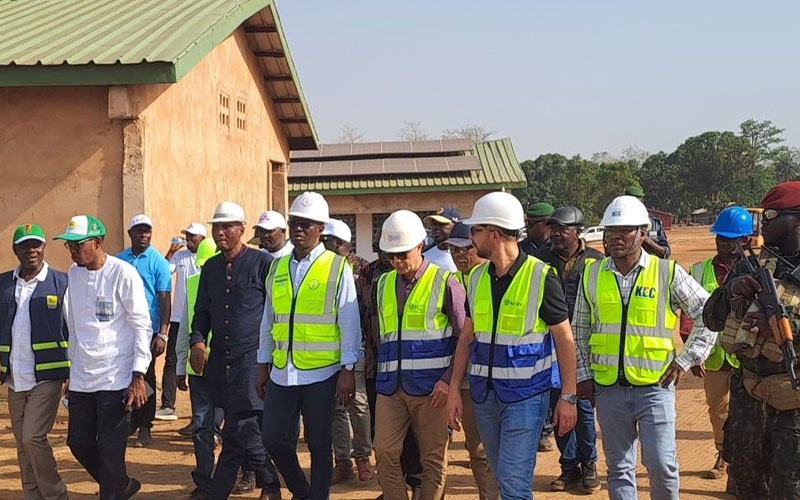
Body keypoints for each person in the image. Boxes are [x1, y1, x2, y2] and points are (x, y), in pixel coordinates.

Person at [574, 195, 715, 500]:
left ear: (642, 234)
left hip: (655, 387)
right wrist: (583, 375)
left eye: (625, 230)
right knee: (619, 468)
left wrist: (687, 358)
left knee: (662, 464)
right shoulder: (592, 274)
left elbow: (709, 314)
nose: (615, 237)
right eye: (611, 230)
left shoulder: (667, 272)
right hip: (608, 389)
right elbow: (580, 329)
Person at [447, 191, 577, 500]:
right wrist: (454, 390)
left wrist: (568, 396)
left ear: (494, 234)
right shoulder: (476, 278)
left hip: (526, 398)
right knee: (502, 479)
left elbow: (565, 339)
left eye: (476, 230)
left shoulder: (541, 277)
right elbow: (467, 338)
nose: (471, 238)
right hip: (485, 397)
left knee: (513, 484)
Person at [257, 191, 362, 500]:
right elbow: (268, 319)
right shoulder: (276, 267)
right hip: (282, 371)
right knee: (273, 438)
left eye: (306, 224)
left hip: (322, 372)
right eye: (295, 223)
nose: (299, 229)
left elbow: (349, 321)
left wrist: (348, 369)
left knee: (319, 443)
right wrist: (262, 363)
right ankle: (302, 492)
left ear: (321, 229)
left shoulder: (337, 267)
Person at [702, 181, 800, 499]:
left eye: (771, 215)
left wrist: (787, 328)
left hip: (792, 408)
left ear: (796, 221)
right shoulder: (750, 264)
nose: (763, 224)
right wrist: (731, 291)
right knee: (747, 487)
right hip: (749, 402)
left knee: (789, 489)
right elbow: (711, 319)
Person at [189, 201, 281, 500]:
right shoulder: (210, 268)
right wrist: (197, 341)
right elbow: (201, 312)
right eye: (216, 227)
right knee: (240, 431)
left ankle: (229, 489)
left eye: (227, 227)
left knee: (240, 428)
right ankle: (269, 485)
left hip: (252, 360)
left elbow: (276, 311)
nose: (220, 232)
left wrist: (272, 356)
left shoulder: (262, 263)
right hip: (220, 361)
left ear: (241, 229)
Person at [55, 215, 152, 499]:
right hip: (83, 377)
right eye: (69, 245)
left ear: (97, 242)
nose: (73, 251)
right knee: (78, 442)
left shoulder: (123, 274)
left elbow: (141, 325)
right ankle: (121, 485)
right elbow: (74, 326)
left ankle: (113, 489)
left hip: (115, 377)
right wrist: (72, 373)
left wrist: (138, 374)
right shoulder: (74, 274)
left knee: (110, 452)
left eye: (78, 244)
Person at [373, 210, 465, 500]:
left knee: (433, 458)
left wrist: (448, 381)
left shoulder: (445, 281)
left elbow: (465, 338)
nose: (397, 261)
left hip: (433, 389)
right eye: (391, 256)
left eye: (402, 254)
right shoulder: (383, 284)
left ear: (420, 246)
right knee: (384, 450)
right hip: (391, 387)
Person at [680, 206, 751, 492]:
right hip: (714, 356)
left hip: (749, 357)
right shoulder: (699, 270)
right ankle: (724, 455)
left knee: (748, 413)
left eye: (729, 239)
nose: (722, 243)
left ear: (744, 240)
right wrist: (693, 353)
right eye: (719, 237)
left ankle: (740, 467)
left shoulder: (758, 271)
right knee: (718, 410)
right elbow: (689, 317)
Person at [533, 207, 603, 493]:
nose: (556, 234)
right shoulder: (540, 260)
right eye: (553, 228)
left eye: (563, 229)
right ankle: (569, 466)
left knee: (583, 406)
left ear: (578, 231)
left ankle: (589, 463)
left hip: (583, 343)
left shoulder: (596, 261)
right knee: (557, 405)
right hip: (550, 344)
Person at [0, 224, 69, 500]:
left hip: (47, 376)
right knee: (22, 443)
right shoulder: (3, 284)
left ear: (44, 248)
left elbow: (74, 329)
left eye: (36, 245)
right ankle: (33, 495)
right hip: (14, 377)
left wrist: (73, 372)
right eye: (25, 246)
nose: (31, 250)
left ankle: (55, 494)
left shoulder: (61, 283)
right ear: (15, 250)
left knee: (32, 437)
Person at [444, 222, 500, 500]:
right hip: (464, 378)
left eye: (464, 249)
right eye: (453, 250)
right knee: (477, 448)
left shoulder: (494, 277)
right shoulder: (451, 281)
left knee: (494, 449)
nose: (458, 255)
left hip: (497, 377)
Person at [323, 218, 376, 484]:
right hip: (327, 350)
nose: (324, 246)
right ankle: (342, 461)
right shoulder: (320, 269)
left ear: (343, 244)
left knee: (358, 404)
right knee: (336, 408)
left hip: (356, 347)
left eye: (329, 242)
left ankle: (363, 457)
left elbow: (367, 310)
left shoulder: (362, 269)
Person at [174, 238, 227, 499]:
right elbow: (186, 326)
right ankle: (204, 481)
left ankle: (241, 474)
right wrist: (180, 365)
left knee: (239, 426)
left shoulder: (235, 282)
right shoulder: (193, 282)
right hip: (200, 369)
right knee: (201, 427)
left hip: (229, 366)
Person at [117, 213, 172, 447]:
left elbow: (165, 299)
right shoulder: (119, 260)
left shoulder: (158, 262)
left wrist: (163, 334)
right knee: (123, 375)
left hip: (148, 329)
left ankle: (145, 425)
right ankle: (128, 420)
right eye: (139, 231)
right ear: (130, 233)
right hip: (122, 329)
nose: (144, 235)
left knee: (146, 376)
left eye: (147, 231)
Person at [161, 222, 207, 424]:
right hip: (179, 317)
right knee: (172, 361)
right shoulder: (179, 256)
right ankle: (168, 405)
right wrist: (171, 251)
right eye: (187, 235)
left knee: (201, 366)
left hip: (201, 320)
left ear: (202, 239)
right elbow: (164, 272)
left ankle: (201, 417)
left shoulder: (208, 258)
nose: (188, 238)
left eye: (192, 235)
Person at [624, 186, 671, 258]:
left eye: (639, 200)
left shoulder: (654, 223)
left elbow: (665, 252)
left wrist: (646, 240)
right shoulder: (618, 225)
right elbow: (610, 253)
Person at [422, 206, 460, 272]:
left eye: (442, 224)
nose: (436, 228)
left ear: (456, 226)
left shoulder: (468, 254)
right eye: (433, 224)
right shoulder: (424, 257)